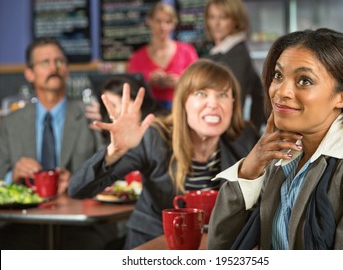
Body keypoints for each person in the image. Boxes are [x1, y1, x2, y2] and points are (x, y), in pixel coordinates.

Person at [207, 28, 343, 250]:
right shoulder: (279, 155)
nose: (281, 91)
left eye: (304, 80)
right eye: (278, 75)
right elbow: (219, 249)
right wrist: (249, 168)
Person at [68, 59, 260, 249]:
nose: (213, 104)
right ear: (183, 101)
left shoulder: (244, 139)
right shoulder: (155, 137)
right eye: (201, 94)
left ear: (233, 102)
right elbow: (78, 189)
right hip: (155, 245)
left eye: (223, 95)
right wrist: (115, 151)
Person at [0, 37, 116, 249]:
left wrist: (78, 182)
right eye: (45, 62)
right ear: (29, 73)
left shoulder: (92, 116)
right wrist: (12, 176)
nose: (54, 67)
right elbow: (1, 173)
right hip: (22, 224)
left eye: (59, 61)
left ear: (67, 70)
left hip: (82, 225)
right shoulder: (10, 122)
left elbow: (112, 173)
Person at [203, 0, 265, 132]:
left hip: (222, 132)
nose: (216, 24)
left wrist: (249, 132)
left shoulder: (235, 56)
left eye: (223, 17)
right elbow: (259, 92)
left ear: (236, 20)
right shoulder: (228, 51)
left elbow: (232, 102)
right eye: (212, 17)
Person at [128, 1, 198, 110]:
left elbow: (200, 84)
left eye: (168, 22)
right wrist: (148, 83)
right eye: (158, 21)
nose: (163, 26)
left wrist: (181, 82)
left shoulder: (187, 52)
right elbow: (130, 91)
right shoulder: (137, 58)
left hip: (183, 110)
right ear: (149, 21)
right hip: (148, 113)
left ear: (174, 24)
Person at [98, 76, 168, 144]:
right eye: (112, 105)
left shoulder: (160, 127)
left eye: (125, 101)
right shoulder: (110, 136)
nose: (119, 110)